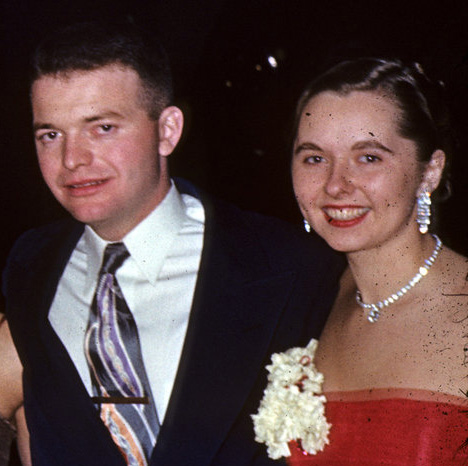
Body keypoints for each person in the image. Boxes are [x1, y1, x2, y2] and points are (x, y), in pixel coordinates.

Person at [1, 20, 343, 466]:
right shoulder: (31, 265)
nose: (72, 159)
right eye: (50, 134)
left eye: (102, 128)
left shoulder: (289, 265)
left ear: (167, 130)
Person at [257, 57, 468, 464]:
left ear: (430, 171)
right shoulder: (305, 303)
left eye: (369, 157)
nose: (336, 185)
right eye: (314, 158)